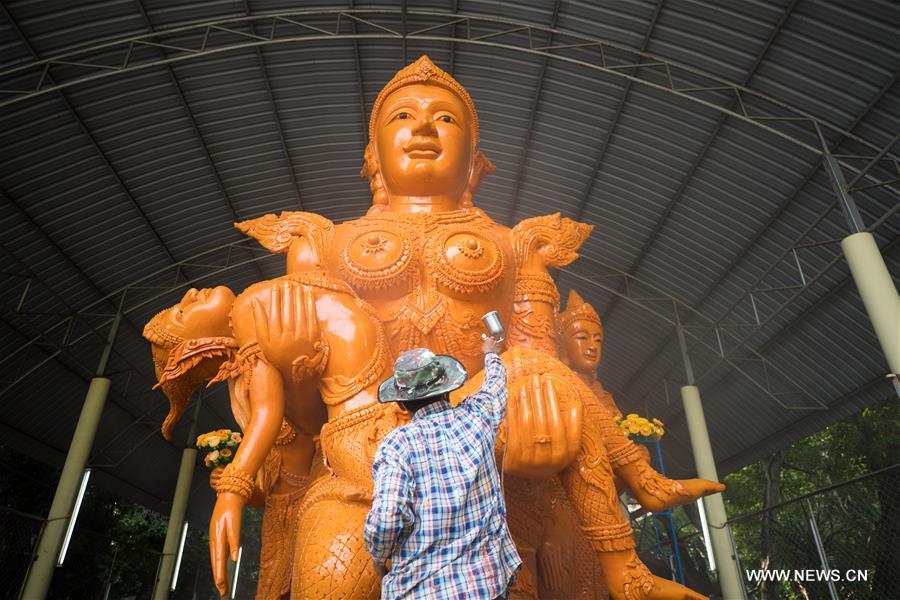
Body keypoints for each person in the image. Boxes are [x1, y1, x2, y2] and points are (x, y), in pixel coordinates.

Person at [364, 336, 522, 599]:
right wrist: (491, 354)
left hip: (422, 591)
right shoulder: (477, 417)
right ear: (448, 388)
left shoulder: (397, 445)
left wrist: (379, 558)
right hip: (486, 585)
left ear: (402, 404)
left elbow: (387, 518)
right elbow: (496, 386)